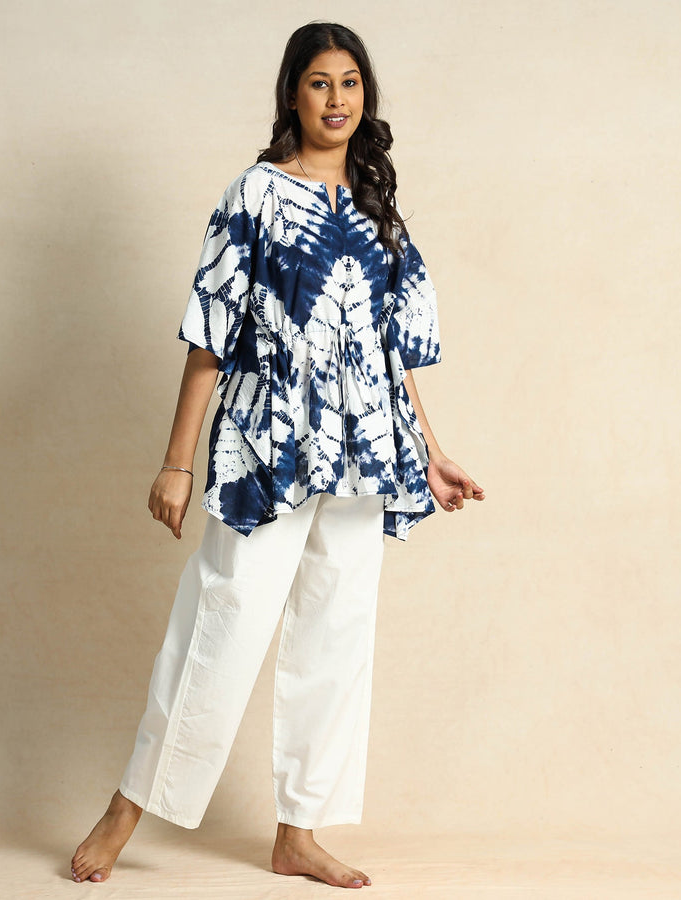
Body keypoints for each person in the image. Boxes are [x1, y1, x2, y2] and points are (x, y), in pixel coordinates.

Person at [71, 21, 484, 889]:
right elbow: (211, 333)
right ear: (292, 95)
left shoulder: (378, 209)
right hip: (268, 447)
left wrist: (432, 452)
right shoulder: (254, 195)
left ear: (366, 96)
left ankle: (299, 831)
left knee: (338, 634)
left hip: (365, 452)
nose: (337, 99)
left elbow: (390, 351)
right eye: (320, 83)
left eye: (350, 83)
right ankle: (128, 806)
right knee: (222, 621)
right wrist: (177, 460)